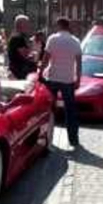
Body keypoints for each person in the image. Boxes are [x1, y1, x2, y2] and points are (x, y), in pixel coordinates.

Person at [39, 17, 82, 147]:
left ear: (59, 26)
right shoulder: (75, 41)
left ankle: (47, 137)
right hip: (68, 79)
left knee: (49, 109)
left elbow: (45, 59)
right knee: (70, 110)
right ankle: (73, 139)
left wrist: (40, 73)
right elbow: (79, 63)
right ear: (68, 26)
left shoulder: (52, 39)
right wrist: (78, 79)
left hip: (52, 78)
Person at [8, 15, 37, 79]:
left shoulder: (17, 36)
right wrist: (33, 54)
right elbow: (25, 54)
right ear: (21, 25)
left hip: (17, 70)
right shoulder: (18, 38)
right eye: (27, 24)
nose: (28, 26)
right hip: (19, 72)